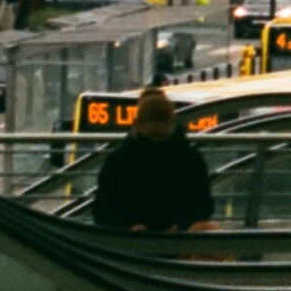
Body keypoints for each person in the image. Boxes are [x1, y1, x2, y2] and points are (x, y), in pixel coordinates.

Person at [90, 86, 213, 232]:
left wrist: (126, 227)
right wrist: (185, 225)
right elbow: (203, 204)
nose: (156, 131)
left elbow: (103, 209)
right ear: (172, 122)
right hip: (179, 240)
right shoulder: (190, 158)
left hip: (130, 241)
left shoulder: (119, 159)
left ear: (137, 123)